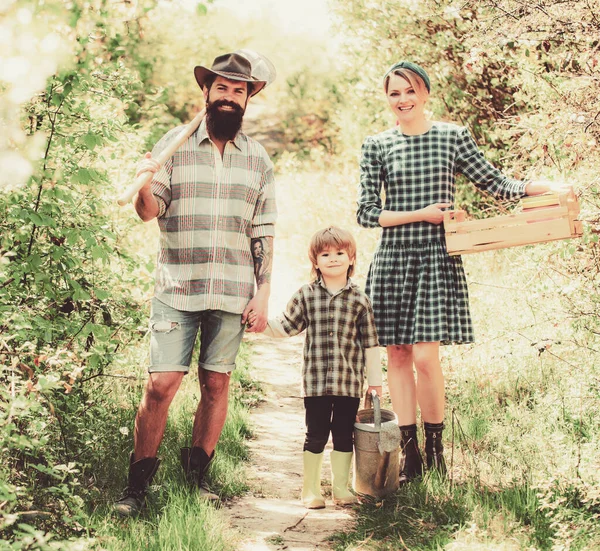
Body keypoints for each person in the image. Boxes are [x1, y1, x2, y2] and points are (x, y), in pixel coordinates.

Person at [357, 60, 567, 484]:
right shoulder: (376, 145)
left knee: (425, 357)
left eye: (410, 90)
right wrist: (423, 213)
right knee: (397, 355)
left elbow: (492, 181)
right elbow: (366, 213)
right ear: (386, 99)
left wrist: (530, 187)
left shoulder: (451, 137)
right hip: (393, 259)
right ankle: (410, 456)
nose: (403, 99)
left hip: (437, 258)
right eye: (394, 93)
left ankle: (436, 453)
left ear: (426, 93)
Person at [113, 52, 277, 517]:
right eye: (221, 88)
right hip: (177, 288)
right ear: (206, 92)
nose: (229, 97)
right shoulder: (175, 144)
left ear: (248, 98)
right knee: (161, 385)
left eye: (238, 90)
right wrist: (144, 183)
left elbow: (262, 231)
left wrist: (263, 291)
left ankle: (197, 478)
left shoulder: (258, 159)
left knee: (216, 383)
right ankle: (136, 487)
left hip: (232, 290)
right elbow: (149, 211)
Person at [248, 227, 382, 508]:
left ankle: (341, 488)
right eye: (325, 254)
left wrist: (375, 382)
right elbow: (287, 325)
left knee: (345, 434)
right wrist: (260, 325)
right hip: (316, 383)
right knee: (316, 433)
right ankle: (310, 490)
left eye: (339, 253)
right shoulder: (306, 295)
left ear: (352, 258)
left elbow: (370, 343)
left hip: (348, 384)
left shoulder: (359, 300)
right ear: (315, 262)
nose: (333, 259)